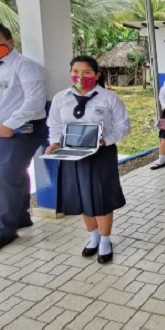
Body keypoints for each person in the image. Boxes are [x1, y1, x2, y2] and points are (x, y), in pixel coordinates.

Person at [0, 22, 47, 257]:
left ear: (9, 41)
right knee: (7, 176)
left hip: (17, 131)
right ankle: (20, 216)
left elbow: (35, 101)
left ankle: (4, 230)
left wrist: (9, 125)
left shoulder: (25, 67)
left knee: (5, 179)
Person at [46, 55, 130, 264]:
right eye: (75, 72)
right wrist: (55, 142)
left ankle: (105, 240)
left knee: (101, 198)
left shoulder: (108, 98)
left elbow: (123, 126)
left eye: (87, 73)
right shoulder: (60, 98)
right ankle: (92, 237)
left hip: (100, 155)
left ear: (97, 75)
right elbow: (54, 124)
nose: (80, 77)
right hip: (72, 154)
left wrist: (106, 141)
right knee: (81, 196)